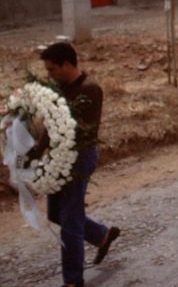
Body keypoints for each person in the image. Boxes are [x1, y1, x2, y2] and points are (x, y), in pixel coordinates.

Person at [39, 42, 120, 287]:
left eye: (52, 69)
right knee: (56, 214)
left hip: (78, 159)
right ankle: (101, 235)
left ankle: (73, 281)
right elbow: (51, 125)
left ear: (66, 65)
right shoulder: (59, 88)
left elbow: (86, 131)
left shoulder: (90, 89)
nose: (49, 74)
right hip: (58, 158)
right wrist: (37, 150)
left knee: (70, 219)